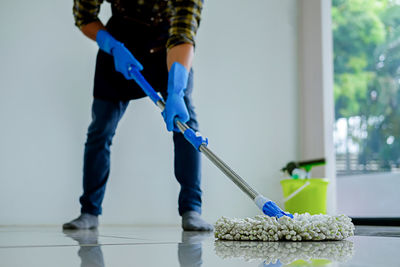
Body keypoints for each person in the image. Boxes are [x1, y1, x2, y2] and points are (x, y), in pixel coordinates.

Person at [63, 0, 213, 231]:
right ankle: (89, 212)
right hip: (118, 50)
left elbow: (183, 33)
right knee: (100, 130)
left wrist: (176, 89)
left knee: (186, 127)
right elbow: (84, 16)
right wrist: (110, 45)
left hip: (167, 51)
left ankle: (191, 209)